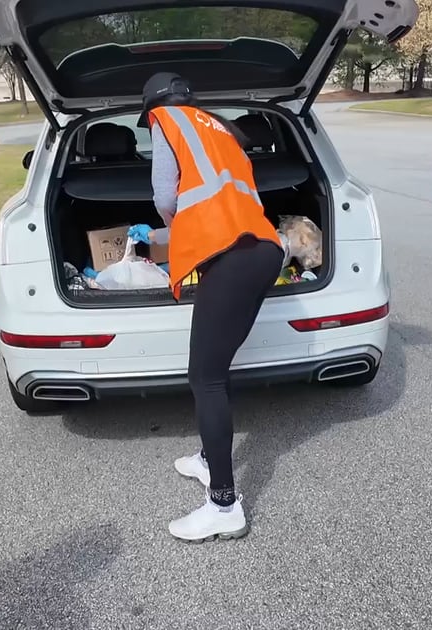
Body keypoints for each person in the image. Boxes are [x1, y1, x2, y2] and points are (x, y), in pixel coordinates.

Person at [126, 72, 284, 543]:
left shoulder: (166, 122)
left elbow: (166, 196)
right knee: (218, 365)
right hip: (264, 250)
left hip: (232, 257)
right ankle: (205, 457)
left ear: (154, 106)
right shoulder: (220, 129)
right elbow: (217, 202)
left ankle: (224, 505)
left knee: (205, 377)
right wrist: (163, 239)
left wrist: (167, 230)